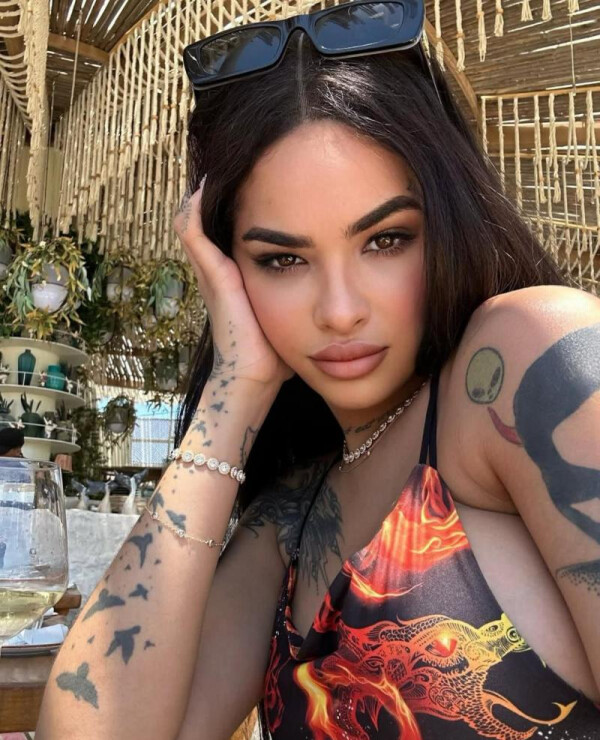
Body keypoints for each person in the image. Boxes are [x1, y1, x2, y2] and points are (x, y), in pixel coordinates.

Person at [36, 2, 600, 738]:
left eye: (386, 240)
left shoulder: (523, 363)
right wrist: (237, 386)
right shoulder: (291, 517)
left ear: (449, 222)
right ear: (230, 271)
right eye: (282, 260)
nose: (339, 311)